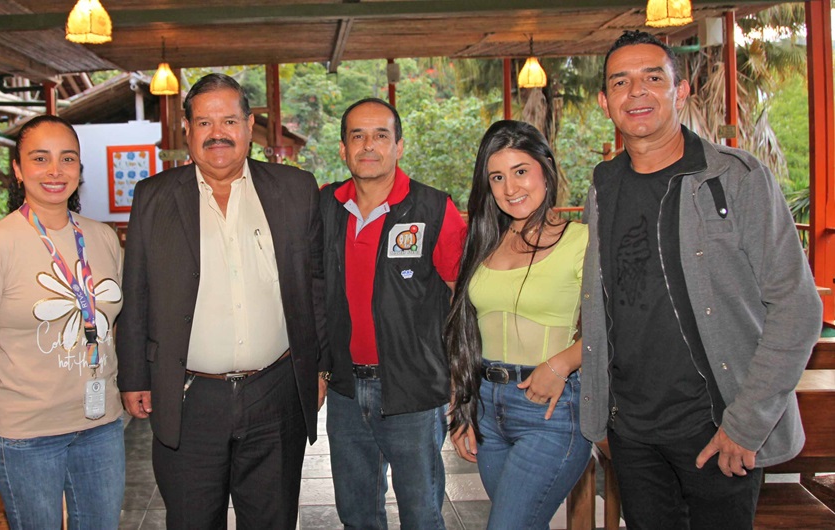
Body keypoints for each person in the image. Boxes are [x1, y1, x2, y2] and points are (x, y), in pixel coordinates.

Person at [582, 30, 822, 529]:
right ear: (606, 102)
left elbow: (797, 308)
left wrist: (746, 423)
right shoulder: (603, 187)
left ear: (681, 90)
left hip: (717, 429)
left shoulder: (736, 179)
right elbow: (606, 305)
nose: (638, 92)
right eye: (621, 82)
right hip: (633, 433)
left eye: (653, 77)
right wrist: (603, 416)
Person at [117, 73, 323, 529]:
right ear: (187, 131)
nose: (218, 133)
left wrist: (319, 368)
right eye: (205, 123)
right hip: (189, 398)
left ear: (250, 126)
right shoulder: (154, 197)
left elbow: (315, 285)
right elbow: (136, 295)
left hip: (275, 393)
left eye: (229, 120)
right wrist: (133, 376)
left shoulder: (296, 190)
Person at [0, 115, 125, 529]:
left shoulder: (102, 237)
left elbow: (108, 326)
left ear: (80, 169)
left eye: (67, 159)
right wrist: (26, 396)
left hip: (100, 426)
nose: (55, 171)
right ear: (18, 168)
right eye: (40, 158)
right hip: (27, 436)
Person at [318, 97, 466, 529]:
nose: (369, 145)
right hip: (346, 391)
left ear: (399, 146)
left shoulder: (434, 210)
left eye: (381, 135)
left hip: (413, 391)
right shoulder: (327, 208)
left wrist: (459, 377)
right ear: (343, 149)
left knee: (421, 514)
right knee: (357, 514)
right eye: (357, 136)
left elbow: (463, 300)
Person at [446, 120, 591, 529]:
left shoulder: (580, 239)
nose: (510, 188)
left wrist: (560, 364)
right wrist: (462, 407)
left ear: (546, 168)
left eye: (521, 171)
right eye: (497, 177)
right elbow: (465, 330)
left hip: (549, 410)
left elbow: (617, 325)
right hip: (488, 409)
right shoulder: (484, 241)